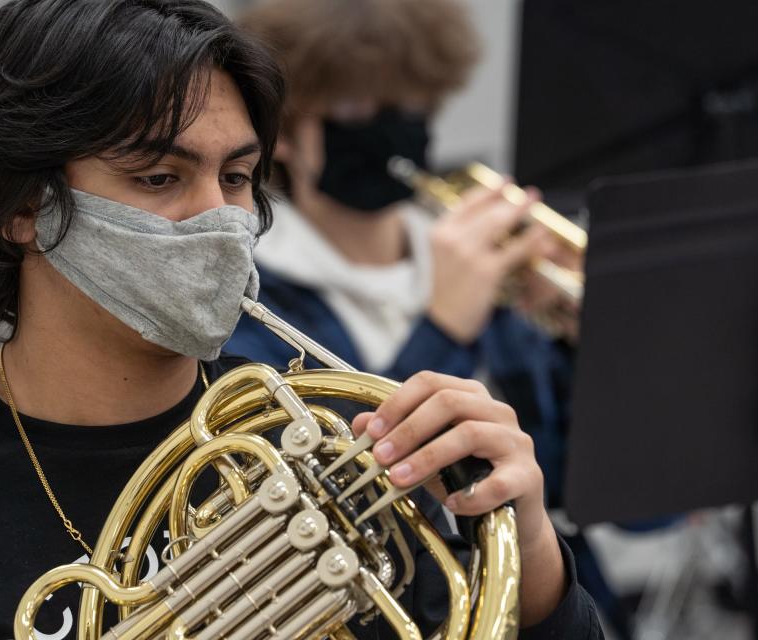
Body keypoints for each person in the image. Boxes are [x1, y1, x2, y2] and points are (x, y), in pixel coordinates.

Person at [0, 1, 601, 638]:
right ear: (17, 205)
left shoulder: (341, 454)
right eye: (159, 176)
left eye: (236, 177)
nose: (219, 218)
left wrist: (531, 551)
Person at [225, 0, 629, 636]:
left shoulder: (484, 264)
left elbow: (633, 507)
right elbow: (316, 502)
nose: (393, 128)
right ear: (290, 127)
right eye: (359, 107)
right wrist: (443, 328)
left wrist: (589, 350)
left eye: (411, 106)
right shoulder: (246, 295)